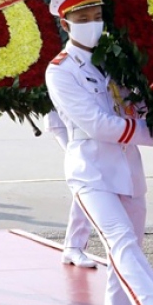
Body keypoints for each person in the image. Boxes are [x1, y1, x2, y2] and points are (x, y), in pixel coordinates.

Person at [45, 0, 153, 305]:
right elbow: (97, 124)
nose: (92, 23)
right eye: (82, 18)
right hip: (92, 172)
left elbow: (138, 104)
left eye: (97, 16)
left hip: (129, 171)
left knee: (126, 256)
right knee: (122, 243)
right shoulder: (60, 70)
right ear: (65, 25)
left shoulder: (116, 59)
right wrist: (149, 133)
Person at [44, 110, 96, 268]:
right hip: (68, 122)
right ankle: (73, 246)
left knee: (89, 177)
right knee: (87, 177)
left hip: (88, 123)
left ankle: (74, 246)